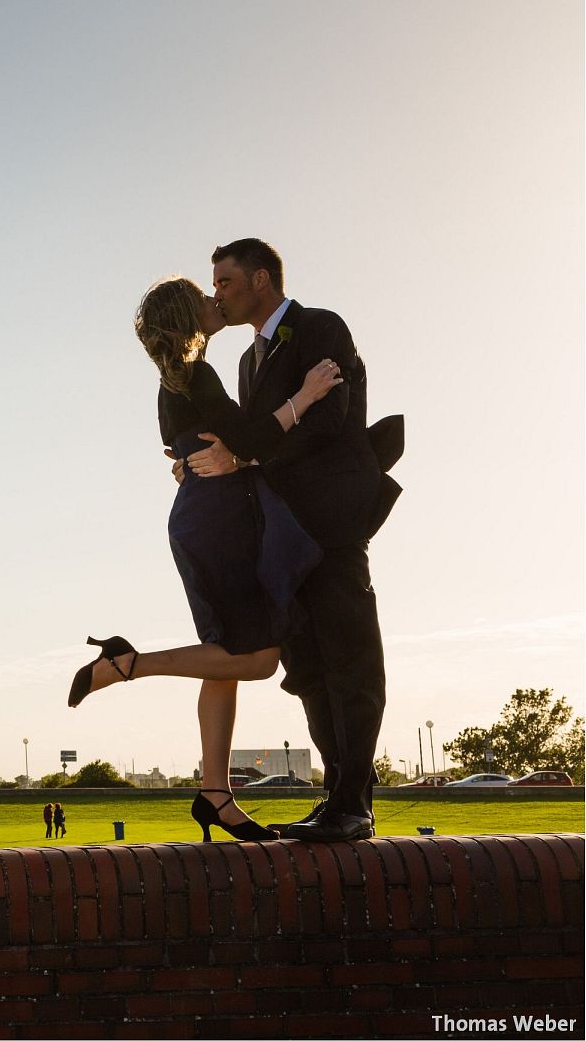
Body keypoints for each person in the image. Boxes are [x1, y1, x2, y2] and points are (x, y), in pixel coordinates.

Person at [68, 275, 341, 843]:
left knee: (222, 659)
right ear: (187, 319)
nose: (217, 300)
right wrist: (308, 395)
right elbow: (252, 436)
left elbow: (203, 448)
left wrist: (225, 458)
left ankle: (216, 794)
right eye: (204, 298)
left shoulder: (178, 380)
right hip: (216, 524)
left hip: (208, 517)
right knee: (260, 658)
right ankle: (126, 664)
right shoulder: (195, 375)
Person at [187, 239, 390, 843]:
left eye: (224, 281)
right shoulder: (248, 364)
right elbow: (254, 443)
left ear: (261, 279)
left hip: (331, 524)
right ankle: (334, 799)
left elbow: (329, 422)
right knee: (306, 668)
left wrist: (247, 451)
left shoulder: (319, 327)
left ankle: (356, 802)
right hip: (281, 538)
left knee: (351, 660)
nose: (217, 292)